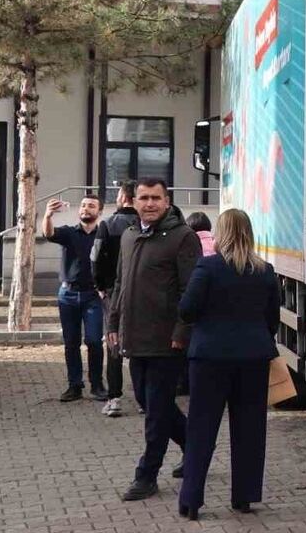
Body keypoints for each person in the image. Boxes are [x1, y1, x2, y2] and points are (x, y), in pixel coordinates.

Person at [176, 208, 280, 520]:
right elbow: (271, 320)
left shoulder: (207, 267)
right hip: (253, 358)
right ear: (249, 233)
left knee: (201, 429)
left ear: (221, 233)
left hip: (209, 358)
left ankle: (191, 500)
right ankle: (244, 497)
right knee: (250, 429)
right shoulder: (265, 271)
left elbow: (187, 310)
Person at [107, 178, 203, 502]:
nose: (149, 204)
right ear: (132, 201)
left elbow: (190, 291)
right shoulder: (129, 235)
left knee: (156, 412)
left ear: (167, 201)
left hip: (166, 343)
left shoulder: (183, 237)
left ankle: (146, 476)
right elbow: (120, 282)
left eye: (156, 198)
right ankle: (195, 446)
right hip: (134, 339)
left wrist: (181, 332)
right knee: (149, 404)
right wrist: (113, 322)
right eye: (144, 198)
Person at [43, 193, 105, 403]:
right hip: (67, 295)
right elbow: (48, 233)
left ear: (99, 212)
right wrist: (48, 215)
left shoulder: (103, 236)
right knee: (71, 343)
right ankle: (74, 386)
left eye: (91, 206)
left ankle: (97, 385)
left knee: (95, 341)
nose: (86, 209)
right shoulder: (69, 233)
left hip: (93, 296)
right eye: (84, 205)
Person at [92, 181, 140, 417]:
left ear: (122, 197)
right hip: (144, 293)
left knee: (113, 343)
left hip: (113, 292)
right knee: (144, 345)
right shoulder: (146, 225)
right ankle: (145, 399)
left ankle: (114, 397)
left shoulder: (107, 225)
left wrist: (100, 286)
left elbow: (95, 258)